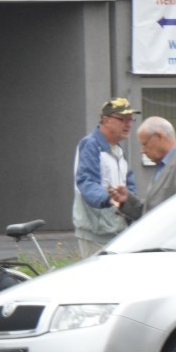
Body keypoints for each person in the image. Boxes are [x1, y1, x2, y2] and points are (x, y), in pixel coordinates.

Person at [72, 97, 140, 258]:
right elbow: (86, 182)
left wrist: (130, 205)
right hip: (96, 233)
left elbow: (129, 185)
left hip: (117, 231)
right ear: (105, 120)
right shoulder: (91, 144)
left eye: (131, 119)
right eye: (122, 119)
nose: (128, 124)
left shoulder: (118, 149)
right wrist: (110, 199)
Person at [108, 116, 176, 220]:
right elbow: (151, 211)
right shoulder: (162, 166)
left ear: (159, 137)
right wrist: (127, 200)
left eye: (145, 144)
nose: (142, 151)